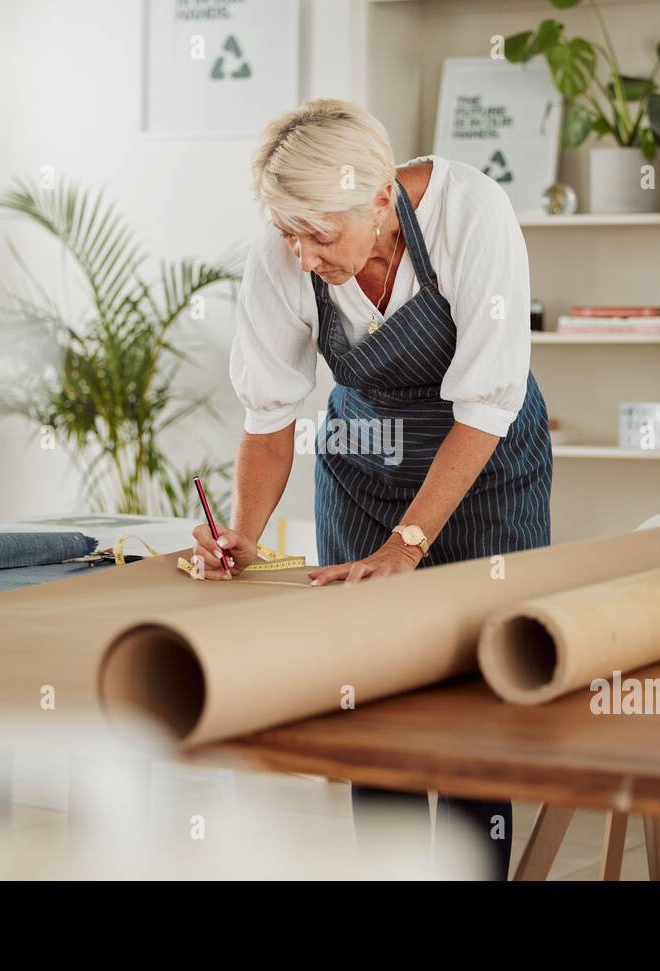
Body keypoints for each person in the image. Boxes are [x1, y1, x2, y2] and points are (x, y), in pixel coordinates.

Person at [192, 99, 552, 879]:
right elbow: (268, 416)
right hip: (363, 467)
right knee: (372, 701)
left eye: (320, 234)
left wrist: (408, 546)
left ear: (382, 197)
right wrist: (245, 535)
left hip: (485, 467)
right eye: (289, 233)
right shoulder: (284, 250)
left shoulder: (473, 215)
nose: (301, 253)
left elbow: (489, 405)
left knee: (474, 699)